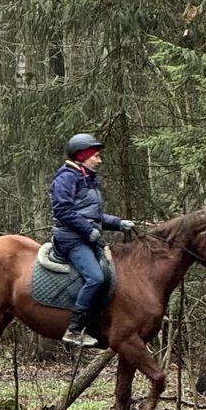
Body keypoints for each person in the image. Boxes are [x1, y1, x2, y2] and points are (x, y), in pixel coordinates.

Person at [51, 133, 134, 346]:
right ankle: (75, 329)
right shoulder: (67, 177)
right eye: (95, 156)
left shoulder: (88, 179)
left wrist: (118, 222)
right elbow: (62, 210)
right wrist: (89, 231)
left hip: (86, 238)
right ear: (82, 156)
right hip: (71, 239)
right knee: (95, 278)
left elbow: (93, 216)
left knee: (113, 274)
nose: (99, 160)